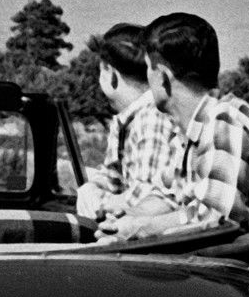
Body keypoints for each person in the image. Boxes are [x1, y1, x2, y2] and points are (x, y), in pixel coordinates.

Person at [101, 11, 249, 297]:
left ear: (163, 77)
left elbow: (216, 219)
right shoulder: (188, 134)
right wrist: (119, 223)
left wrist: (141, 228)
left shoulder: (226, 120)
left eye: (148, 71)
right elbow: (166, 197)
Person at [76, 22, 188, 222]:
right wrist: (94, 187)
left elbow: (147, 199)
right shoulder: (129, 120)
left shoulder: (151, 119)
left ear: (110, 74)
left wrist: (101, 203)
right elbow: (114, 176)